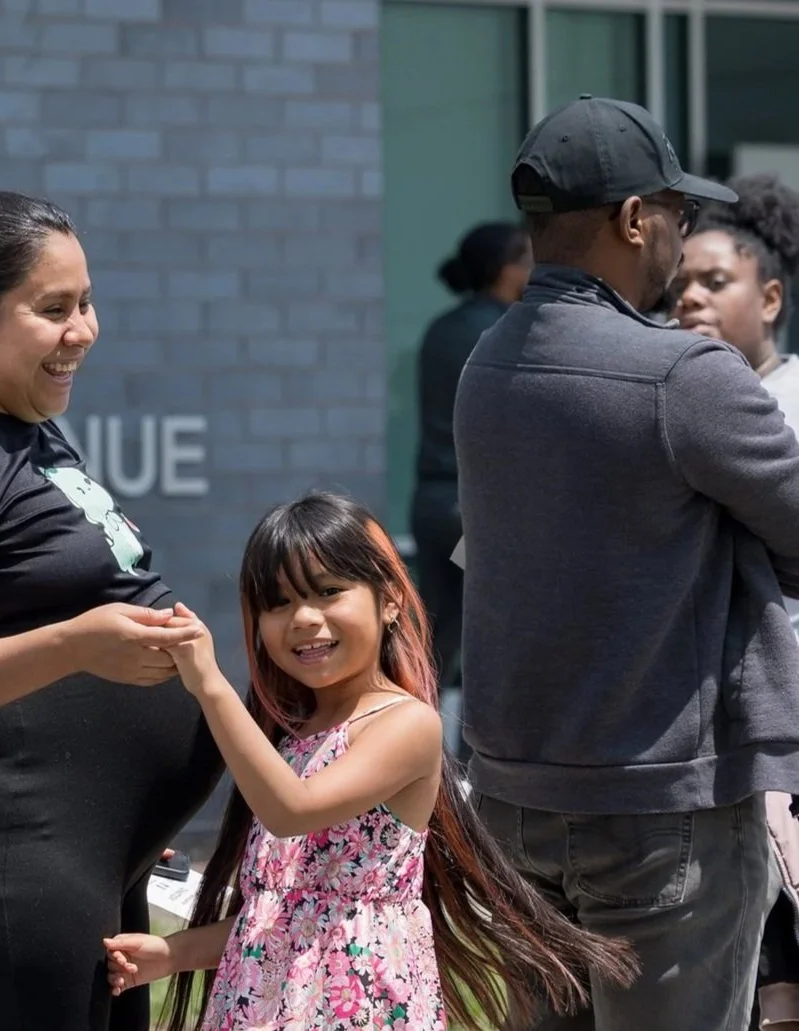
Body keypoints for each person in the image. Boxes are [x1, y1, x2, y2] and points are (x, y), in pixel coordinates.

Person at [455, 93, 799, 1029]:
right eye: (678, 217)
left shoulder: (486, 366)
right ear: (632, 218)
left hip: (514, 796)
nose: (680, 246)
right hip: (662, 807)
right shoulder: (683, 375)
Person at [0, 190, 225, 1031]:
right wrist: (77, 643)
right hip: (6, 856)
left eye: (86, 302)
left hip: (82, 848)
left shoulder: (23, 425)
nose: (82, 330)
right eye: (53, 309)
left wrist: (115, 811)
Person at [98, 492, 637, 1030]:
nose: (304, 618)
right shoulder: (290, 739)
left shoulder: (406, 725)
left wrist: (209, 684)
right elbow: (280, 919)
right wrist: (172, 955)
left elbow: (293, 810)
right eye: (278, 603)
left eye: (329, 592)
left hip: (359, 1010)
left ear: (390, 601)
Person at [670, 174, 799, 1030]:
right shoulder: (673, 398)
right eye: (678, 282)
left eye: (713, 282)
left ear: (770, 295)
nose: (689, 298)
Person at [411, 221, 530, 712]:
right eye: (529, 259)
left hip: (431, 508)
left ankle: (417, 759)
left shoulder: (442, 328)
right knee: (497, 630)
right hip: (472, 516)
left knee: (433, 645)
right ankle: (480, 769)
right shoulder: (503, 332)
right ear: (508, 269)